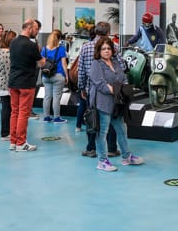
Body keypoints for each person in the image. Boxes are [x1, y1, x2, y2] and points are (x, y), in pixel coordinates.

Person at [90, 36, 144, 171]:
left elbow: (123, 77)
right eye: (103, 49)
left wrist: (123, 88)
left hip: (117, 103)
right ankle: (102, 161)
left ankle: (126, 157)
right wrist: (118, 90)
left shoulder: (115, 62)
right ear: (99, 51)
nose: (106, 51)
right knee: (102, 132)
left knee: (122, 129)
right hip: (102, 103)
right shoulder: (96, 64)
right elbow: (100, 84)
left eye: (108, 48)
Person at [77, 21, 121, 157]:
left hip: (92, 90)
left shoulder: (85, 47)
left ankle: (91, 148)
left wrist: (82, 88)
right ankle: (111, 148)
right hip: (110, 90)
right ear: (108, 32)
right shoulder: (113, 47)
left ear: (96, 31)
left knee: (92, 118)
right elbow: (121, 67)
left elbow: (81, 70)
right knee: (111, 117)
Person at [8, 19, 45, 151]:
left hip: (13, 81)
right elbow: (41, 62)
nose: (37, 31)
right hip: (26, 83)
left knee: (14, 112)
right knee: (24, 113)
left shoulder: (13, 42)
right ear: (29, 28)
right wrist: (43, 57)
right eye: (35, 29)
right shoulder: (31, 45)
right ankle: (21, 143)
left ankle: (13, 142)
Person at [0, 29, 17, 141]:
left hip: (0, 83)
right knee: (7, 109)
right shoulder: (8, 54)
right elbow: (9, 73)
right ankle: (5, 132)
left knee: (5, 108)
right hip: (6, 86)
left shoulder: (0, 51)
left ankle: (6, 131)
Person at [41, 29, 69, 123]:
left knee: (47, 97)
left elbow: (42, 63)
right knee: (56, 97)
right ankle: (57, 117)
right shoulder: (61, 49)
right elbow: (64, 64)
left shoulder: (44, 49)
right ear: (59, 39)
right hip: (58, 75)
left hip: (46, 76)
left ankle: (46, 117)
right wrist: (67, 76)